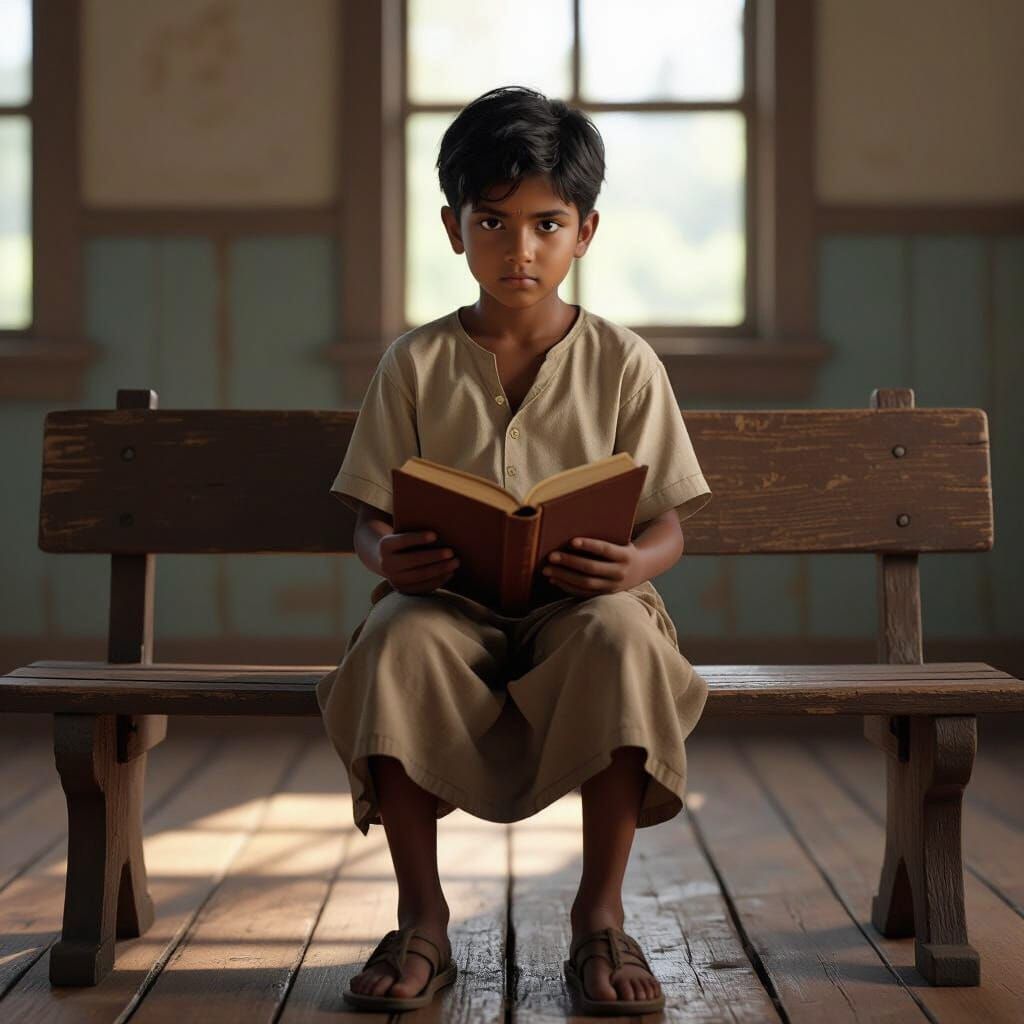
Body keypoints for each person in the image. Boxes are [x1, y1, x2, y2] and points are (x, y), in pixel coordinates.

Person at [316, 85, 713, 1015]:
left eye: (546, 223)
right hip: (447, 610)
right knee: (392, 644)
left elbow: (669, 523)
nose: (519, 248)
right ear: (454, 229)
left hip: (583, 610)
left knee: (624, 638)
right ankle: (421, 916)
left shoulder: (624, 362)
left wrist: (635, 567)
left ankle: (599, 915)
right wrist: (386, 561)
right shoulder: (413, 364)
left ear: (586, 231)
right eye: (492, 220)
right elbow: (367, 517)